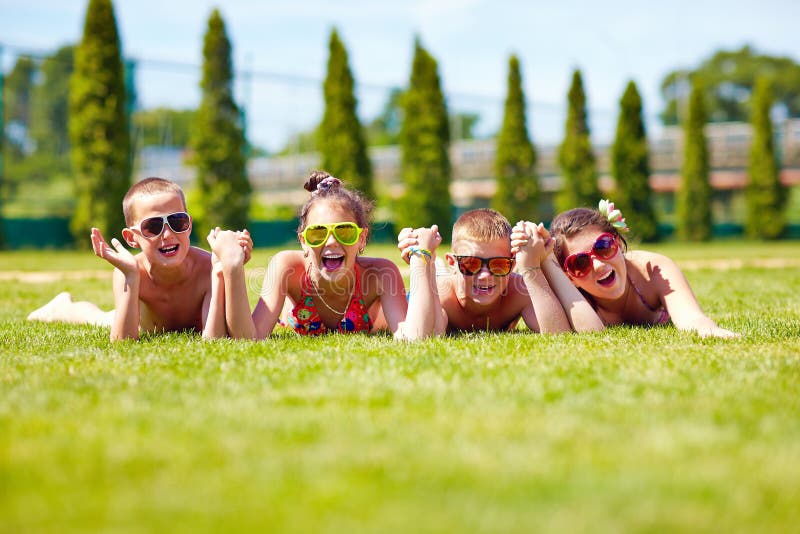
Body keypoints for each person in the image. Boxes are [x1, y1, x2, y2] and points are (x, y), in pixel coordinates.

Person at [208, 171, 440, 340]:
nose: (331, 241)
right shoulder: (286, 268)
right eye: (318, 233)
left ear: (361, 239)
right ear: (304, 241)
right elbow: (248, 339)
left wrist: (422, 258)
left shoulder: (381, 273)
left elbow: (413, 338)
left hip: (407, 301)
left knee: (439, 315)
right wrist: (232, 268)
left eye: (345, 232)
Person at [27, 177, 251, 341]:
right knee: (101, 319)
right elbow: (122, 342)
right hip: (143, 322)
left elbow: (214, 341)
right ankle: (61, 307)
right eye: (153, 226)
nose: (168, 234)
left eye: (177, 221)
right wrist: (131, 277)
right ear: (132, 238)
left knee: (105, 317)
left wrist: (217, 273)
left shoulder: (206, 268)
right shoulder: (131, 271)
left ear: (189, 225)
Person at [549, 199, 739, 338]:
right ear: (569, 277)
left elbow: (691, 318)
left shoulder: (654, 270)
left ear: (618, 243)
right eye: (579, 263)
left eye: (603, 247)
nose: (598, 265)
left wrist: (708, 329)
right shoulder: (570, 295)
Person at [397, 208, 582, 334]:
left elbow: (558, 332)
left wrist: (532, 265)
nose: (485, 275)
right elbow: (421, 335)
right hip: (440, 279)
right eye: (470, 264)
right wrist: (423, 263)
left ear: (512, 264)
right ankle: (435, 265)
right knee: (435, 274)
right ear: (453, 263)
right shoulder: (439, 295)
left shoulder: (518, 291)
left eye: (499, 265)